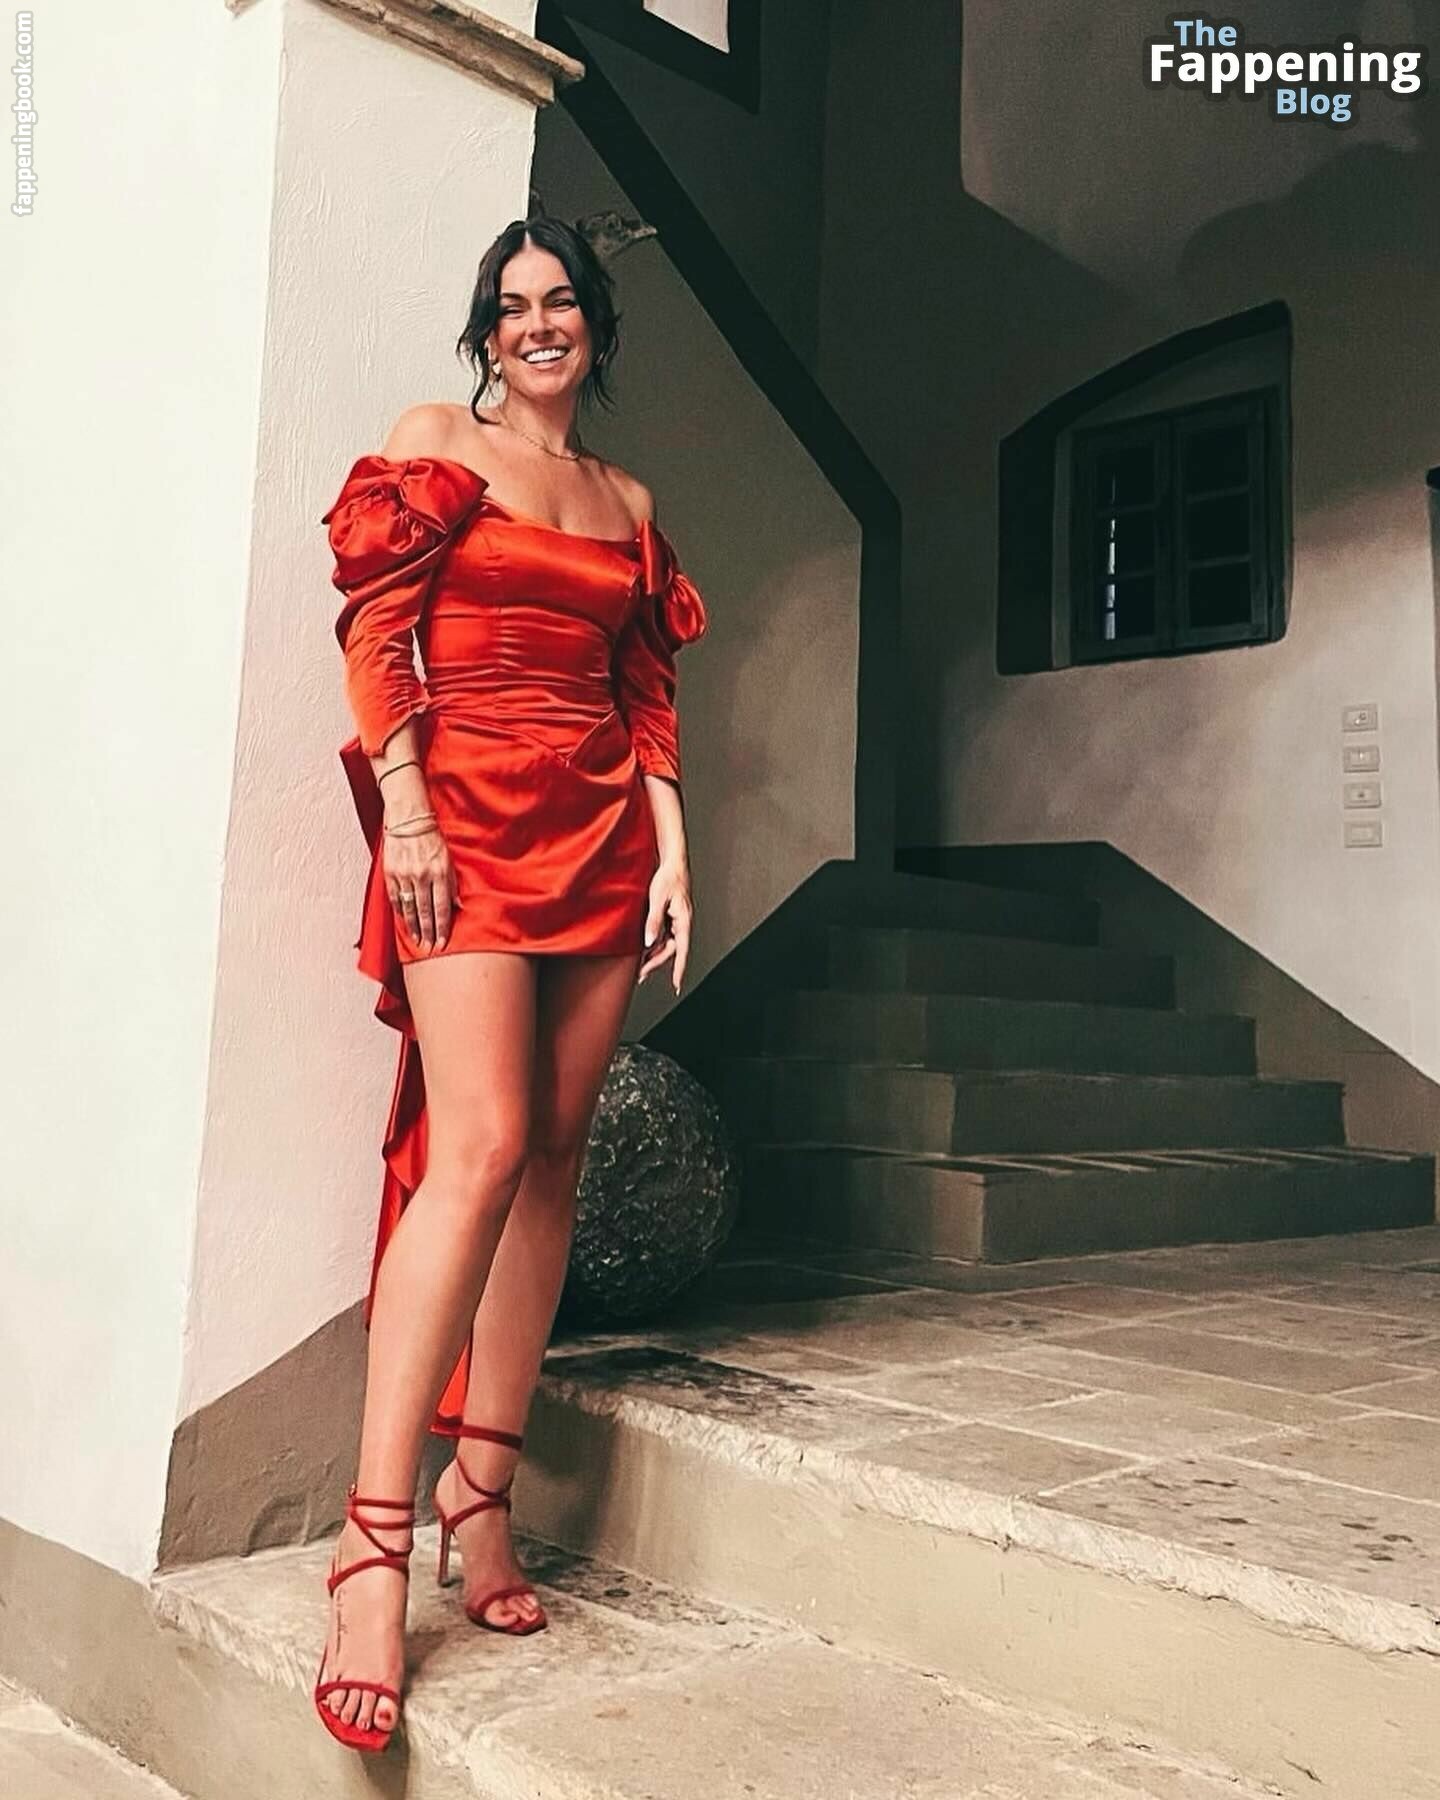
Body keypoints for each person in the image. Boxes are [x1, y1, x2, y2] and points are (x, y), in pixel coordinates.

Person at [311, 215, 709, 1754]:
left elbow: (645, 688)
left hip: (603, 843)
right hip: (464, 826)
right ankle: (371, 1547)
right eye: (513, 303)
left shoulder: (628, 499)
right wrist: (407, 810)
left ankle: (484, 1495)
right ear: (488, 330)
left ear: (595, 326)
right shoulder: (434, 443)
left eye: (562, 302)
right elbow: (376, 630)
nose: (539, 323)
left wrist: (674, 853)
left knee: (550, 1161)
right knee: (474, 1151)